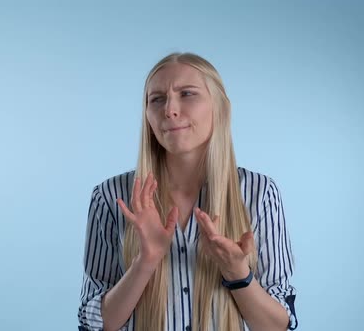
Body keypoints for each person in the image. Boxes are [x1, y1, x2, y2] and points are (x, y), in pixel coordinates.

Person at [77, 52, 298, 331]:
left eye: (187, 94)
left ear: (219, 108)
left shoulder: (259, 193)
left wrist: (237, 273)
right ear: (147, 115)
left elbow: (278, 325)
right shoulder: (111, 197)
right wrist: (145, 261)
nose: (169, 109)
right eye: (156, 99)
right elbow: (94, 323)